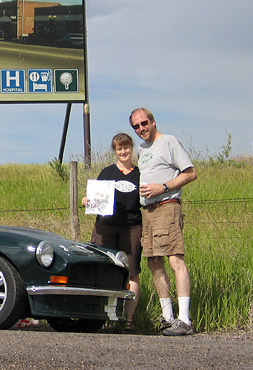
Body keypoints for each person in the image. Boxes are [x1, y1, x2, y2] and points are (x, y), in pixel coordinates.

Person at [129, 107, 197, 336]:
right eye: (136, 126)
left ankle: (184, 319)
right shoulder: (141, 149)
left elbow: (190, 173)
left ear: (153, 121)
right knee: (153, 263)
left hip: (167, 207)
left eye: (144, 123)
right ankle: (167, 318)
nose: (141, 129)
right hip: (147, 212)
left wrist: (163, 187)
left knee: (175, 260)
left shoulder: (169, 142)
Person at [82, 133, 142, 329]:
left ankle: (129, 320)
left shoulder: (140, 174)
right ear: (114, 151)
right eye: (119, 149)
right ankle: (102, 317)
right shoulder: (107, 173)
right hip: (105, 227)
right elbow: (95, 198)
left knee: (131, 272)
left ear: (132, 148)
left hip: (132, 228)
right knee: (104, 270)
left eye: (126, 147)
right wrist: (86, 201)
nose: (123, 151)